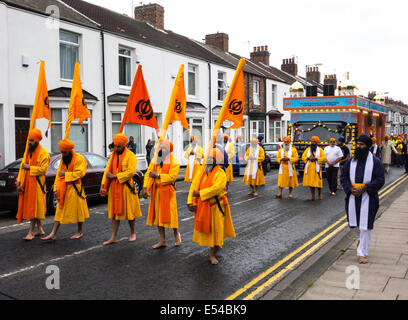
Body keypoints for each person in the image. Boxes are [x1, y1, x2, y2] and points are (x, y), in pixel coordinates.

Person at [341, 134, 385, 264]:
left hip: (368, 197)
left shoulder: (376, 162)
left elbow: (380, 179)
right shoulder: (351, 161)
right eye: (357, 144)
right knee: (353, 224)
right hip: (352, 196)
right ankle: (361, 239)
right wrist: (350, 189)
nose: (358, 146)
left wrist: (365, 188)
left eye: (361, 144)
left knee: (365, 226)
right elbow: (343, 177)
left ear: (368, 146)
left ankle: (362, 253)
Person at [187, 148, 236, 265]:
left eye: (211, 158)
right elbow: (194, 185)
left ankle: (213, 254)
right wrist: (190, 202)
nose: (208, 159)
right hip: (204, 207)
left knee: (217, 231)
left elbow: (216, 189)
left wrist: (200, 193)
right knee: (209, 232)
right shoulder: (202, 172)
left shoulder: (220, 173)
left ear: (216, 160)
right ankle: (215, 248)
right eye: (207, 157)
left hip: (216, 207)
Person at [42, 139, 89, 241]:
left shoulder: (79, 159)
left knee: (78, 211)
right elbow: (58, 175)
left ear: (69, 150)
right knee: (59, 211)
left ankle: (79, 231)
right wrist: (55, 189)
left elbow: (80, 173)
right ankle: (53, 233)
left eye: (64, 152)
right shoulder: (64, 159)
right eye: (61, 152)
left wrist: (66, 174)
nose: (62, 154)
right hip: (63, 189)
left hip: (75, 189)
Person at [101, 133, 143, 246]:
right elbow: (107, 171)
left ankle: (133, 233)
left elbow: (130, 172)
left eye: (118, 146)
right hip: (114, 188)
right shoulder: (113, 156)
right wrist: (103, 186)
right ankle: (113, 237)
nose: (116, 148)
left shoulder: (131, 156)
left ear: (124, 145)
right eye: (115, 146)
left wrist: (115, 176)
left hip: (126, 188)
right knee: (114, 214)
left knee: (130, 213)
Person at [142, 139, 181, 249]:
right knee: (158, 216)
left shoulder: (174, 161)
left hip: (168, 192)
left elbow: (172, 177)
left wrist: (158, 175)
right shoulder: (155, 161)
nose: (160, 149)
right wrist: (145, 188)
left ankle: (176, 235)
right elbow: (148, 175)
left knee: (172, 216)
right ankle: (162, 240)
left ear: (168, 150)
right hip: (156, 192)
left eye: (163, 148)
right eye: (159, 147)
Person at [16, 129, 50, 241]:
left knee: (33, 209)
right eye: (28, 140)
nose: (29, 142)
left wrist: (30, 168)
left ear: (37, 141)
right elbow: (22, 168)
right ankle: (40, 229)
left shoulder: (43, 153)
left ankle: (30, 232)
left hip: (37, 185)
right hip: (28, 185)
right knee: (35, 208)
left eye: (31, 140)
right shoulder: (27, 152)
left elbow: (43, 170)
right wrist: (19, 182)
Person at [302, 136, 326, 201]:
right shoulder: (307, 150)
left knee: (318, 182)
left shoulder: (320, 150)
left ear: (317, 143)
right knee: (311, 183)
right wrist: (308, 158)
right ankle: (312, 196)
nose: (313, 143)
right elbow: (303, 157)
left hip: (317, 169)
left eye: (314, 142)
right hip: (309, 168)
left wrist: (316, 159)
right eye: (312, 142)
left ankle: (319, 194)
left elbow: (324, 158)